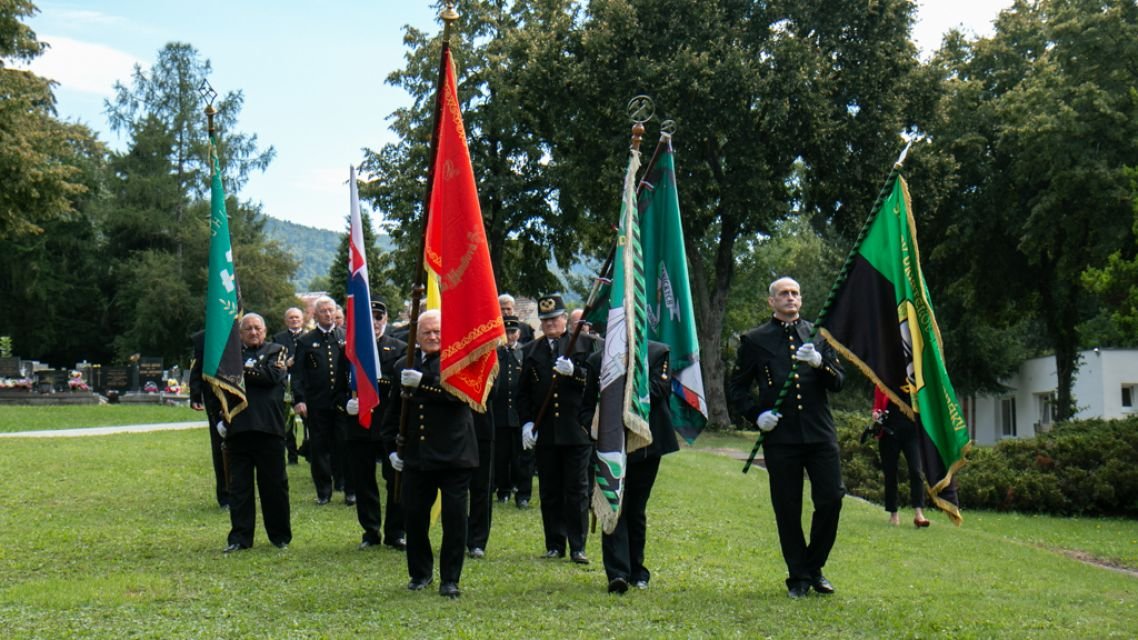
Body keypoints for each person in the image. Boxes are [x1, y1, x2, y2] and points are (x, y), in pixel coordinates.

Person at [728, 277, 845, 599]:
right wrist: (756, 416)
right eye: (783, 294)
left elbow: (838, 382)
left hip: (820, 433)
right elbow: (736, 388)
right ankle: (798, 576)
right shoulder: (754, 339)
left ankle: (814, 566)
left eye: (795, 293)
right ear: (772, 302)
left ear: (801, 299)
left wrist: (820, 364)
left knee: (832, 499)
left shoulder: (819, 335)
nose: (790, 298)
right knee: (787, 507)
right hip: (782, 437)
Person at [381, 310, 478, 598]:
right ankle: (420, 573)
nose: (433, 337)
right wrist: (390, 449)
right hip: (417, 456)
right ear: (416, 336)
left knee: (454, 520)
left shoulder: (458, 361)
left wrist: (422, 382)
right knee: (414, 517)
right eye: (427, 332)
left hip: (454, 455)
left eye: (437, 331)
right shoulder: (402, 365)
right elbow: (394, 411)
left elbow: (458, 396)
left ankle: (450, 579)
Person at [582, 340, 679, 594]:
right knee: (614, 504)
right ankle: (617, 573)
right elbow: (586, 405)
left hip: (646, 444)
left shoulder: (658, 353)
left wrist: (619, 383)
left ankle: (637, 570)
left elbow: (658, 392)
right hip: (610, 445)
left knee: (635, 508)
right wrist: (594, 431)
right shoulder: (596, 360)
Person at [519, 294, 599, 565]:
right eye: (546, 320)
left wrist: (575, 372)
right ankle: (555, 543)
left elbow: (596, 384)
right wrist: (527, 423)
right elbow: (524, 393)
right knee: (550, 489)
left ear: (565, 319)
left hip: (576, 429)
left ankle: (578, 546)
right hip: (547, 431)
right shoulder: (531, 350)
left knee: (576, 489)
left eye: (555, 319)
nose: (551, 324)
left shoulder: (586, 345)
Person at [220, 313, 292, 552]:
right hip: (239, 429)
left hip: (269, 429)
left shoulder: (278, 349)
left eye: (257, 328)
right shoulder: (231, 355)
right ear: (240, 334)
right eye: (248, 329)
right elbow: (221, 382)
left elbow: (272, 376)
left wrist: (240, 371)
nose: (253, 332)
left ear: (265, 330)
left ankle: (280, 536)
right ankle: (240, 538)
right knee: (239, 488)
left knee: (274, 486)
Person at [340, 300, 407, 550]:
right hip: (360, 425)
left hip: (389, 425)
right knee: (363, 480)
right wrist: (346, 403)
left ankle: (396, 530)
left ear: (386, 320)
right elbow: (336, 387)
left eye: (379, 317)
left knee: (395, 479)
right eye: (370, 317)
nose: (375, 322)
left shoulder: (399, 348)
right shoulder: (348, 350)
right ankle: (370, 530)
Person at [290, 296, 350, 505]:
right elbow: (298, 373)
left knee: (344, 443)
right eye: (323, 311)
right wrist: (300, 399)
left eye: (330, 310)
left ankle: (346, 485)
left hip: (342, 402)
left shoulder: (345, 337)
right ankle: (324, 490)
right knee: (319, 447)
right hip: (317, 402)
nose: (327, 314)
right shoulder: (306, 341)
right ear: (315, 315)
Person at [871, 387, 931, 527]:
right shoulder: (885, 378)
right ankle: (893, 514)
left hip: (912, 433)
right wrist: (875, 414)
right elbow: (877, 405)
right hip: (889, 433)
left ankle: (919, 513)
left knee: (916, 471)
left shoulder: (914, 379)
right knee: (890, 473)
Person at [492, 316, 532, 508]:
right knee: (501, 456)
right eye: (506, 332)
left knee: (523, 457)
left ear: (519, 333)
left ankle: (523, 493)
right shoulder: (497, 353)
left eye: (513, 331)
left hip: (520, 412)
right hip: (501, 413)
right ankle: (503, 490)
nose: (510, 335)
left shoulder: (525, 353)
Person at [189, 330, 229, 510]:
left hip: (242, 398)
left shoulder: (243, 331)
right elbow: (197, 368)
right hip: (214, 398)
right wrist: (195, 395)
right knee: (220, 446)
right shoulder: (203, 338)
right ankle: (225, 494)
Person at [273, 306, 306, 464]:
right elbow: (274, 362)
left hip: (306, 384)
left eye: (297, 317)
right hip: (286, 383)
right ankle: (291, 455)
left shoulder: (309, 337)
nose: (294, 320)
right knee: (287, 421)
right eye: (291, 318)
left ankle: (309, 451)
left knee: (309, 421)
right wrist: (286, 363)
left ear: (302, 319)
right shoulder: (278, 338)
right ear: (286, 321)